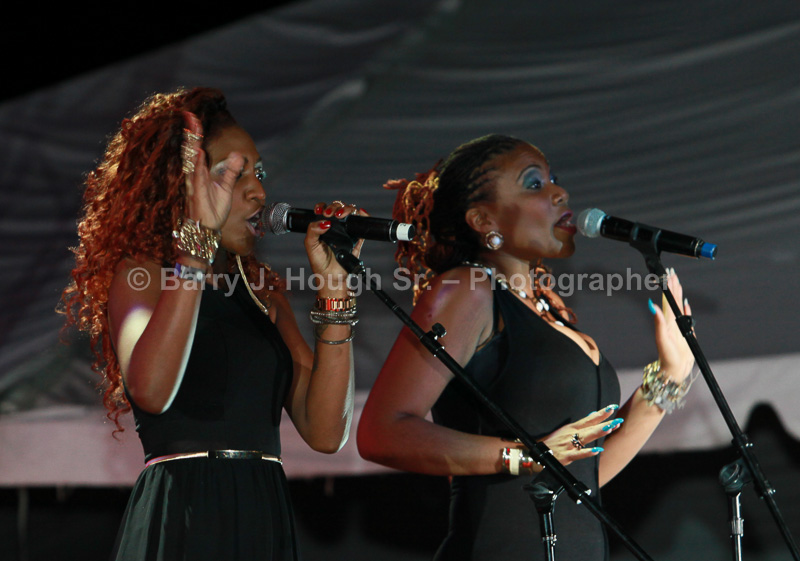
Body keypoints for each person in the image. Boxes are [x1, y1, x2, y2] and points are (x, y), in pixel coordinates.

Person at [356, 134, 697, 560]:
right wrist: (523, 455)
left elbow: (583, 477)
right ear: (483, 219)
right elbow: (381, 432)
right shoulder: (467, 290)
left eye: (555, 179)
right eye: (534, 183)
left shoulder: (547, 309)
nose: (560, 192)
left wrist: (668, 378)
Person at [59, 87, 362, 560]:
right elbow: (151, 389)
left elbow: (326, 432)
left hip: (261, 511)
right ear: (180, 185)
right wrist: (195, 250)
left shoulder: (263, 291)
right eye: (234, 174)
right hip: (186, 509)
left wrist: (335, 290)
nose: (259, 191)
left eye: (258, 173)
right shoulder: (142, 275)